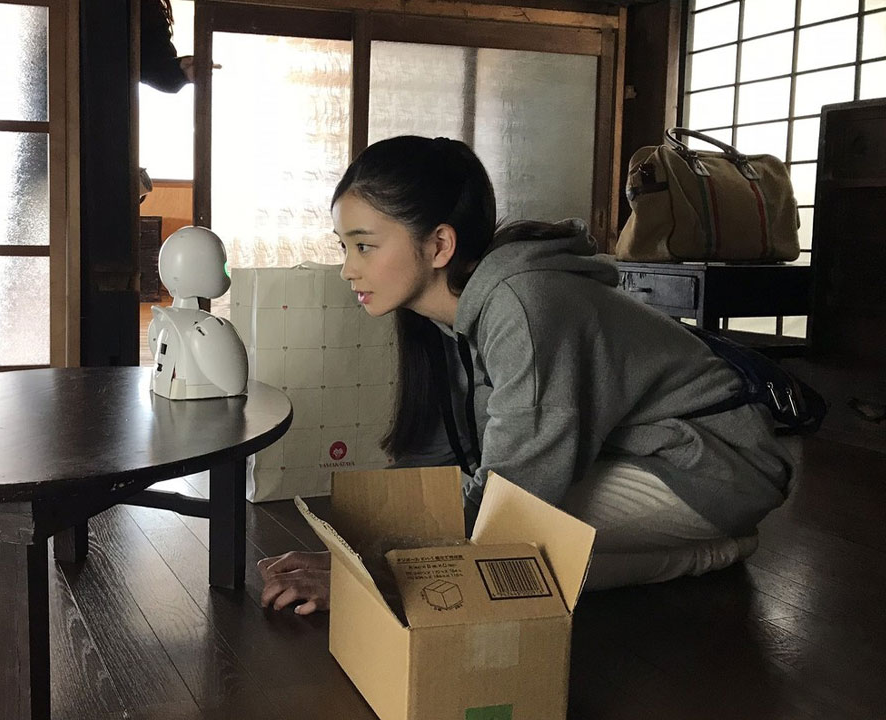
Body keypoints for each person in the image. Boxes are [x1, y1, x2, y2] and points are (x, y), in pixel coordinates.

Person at [258, 135, 801, 615]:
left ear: (439, 245)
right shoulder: (449, 309)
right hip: (635, 455)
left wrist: (370, 574)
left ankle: (709, 535)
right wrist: (358, 551)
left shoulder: (524, 304)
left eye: (364, 246)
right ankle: (706, 549)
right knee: (509, 559)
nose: (348, 268)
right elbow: (446, 465)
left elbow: (513, 497)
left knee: (511, 552)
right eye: (345, 246)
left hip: (713, 464)